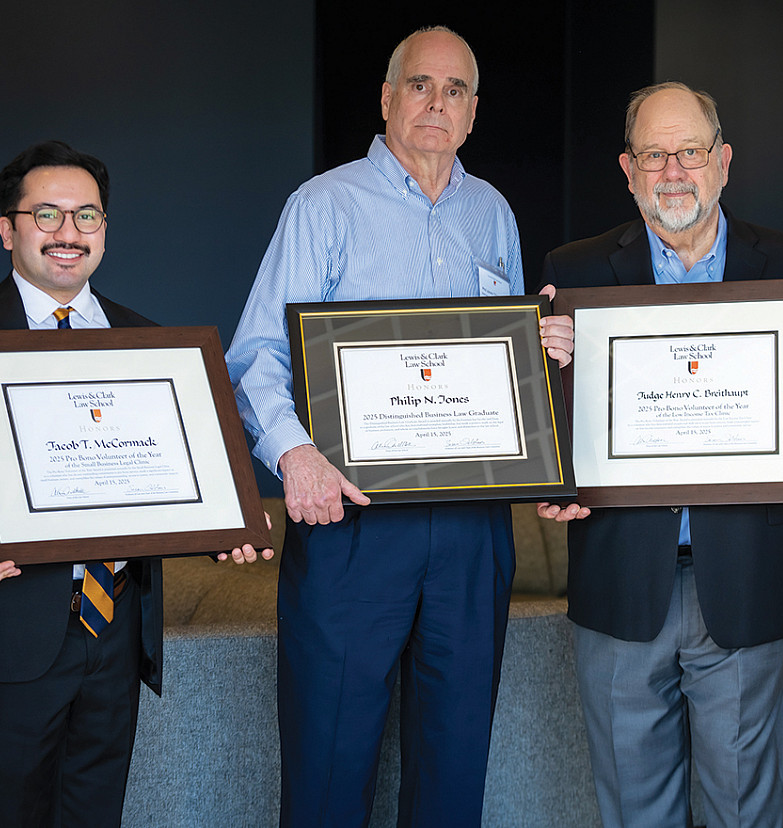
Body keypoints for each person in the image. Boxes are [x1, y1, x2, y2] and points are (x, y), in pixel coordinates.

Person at [225, 26, 573, 828]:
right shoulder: (323, 204)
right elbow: (256, 355)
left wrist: (543, 349)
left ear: (474, 112)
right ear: (386, 99)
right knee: (329, 766)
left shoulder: (492, 213)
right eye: (420, 85)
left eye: (455, 91)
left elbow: (504, 369)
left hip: (471, 530)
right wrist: (296, 454)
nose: (436, 103)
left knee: (456, 767)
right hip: (352, 523)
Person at [537, 82, 783, 827]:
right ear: (627, 169)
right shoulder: (575, 270)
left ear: (723, 162)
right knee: (633, 809)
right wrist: (546, 365)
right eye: (654, 154)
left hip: (746, 580)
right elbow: (549, 421)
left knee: (742, 810)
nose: (673, 170)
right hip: (621, 580)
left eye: (690, 151)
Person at [0, 140, 269, 828]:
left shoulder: (147, 338)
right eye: (46, 214)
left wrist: (223, 531)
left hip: (114, 636)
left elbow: (172, 475)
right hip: (4, 633)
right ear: (8, 229)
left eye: (87, 217)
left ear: (104, 230)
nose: (68, 234)